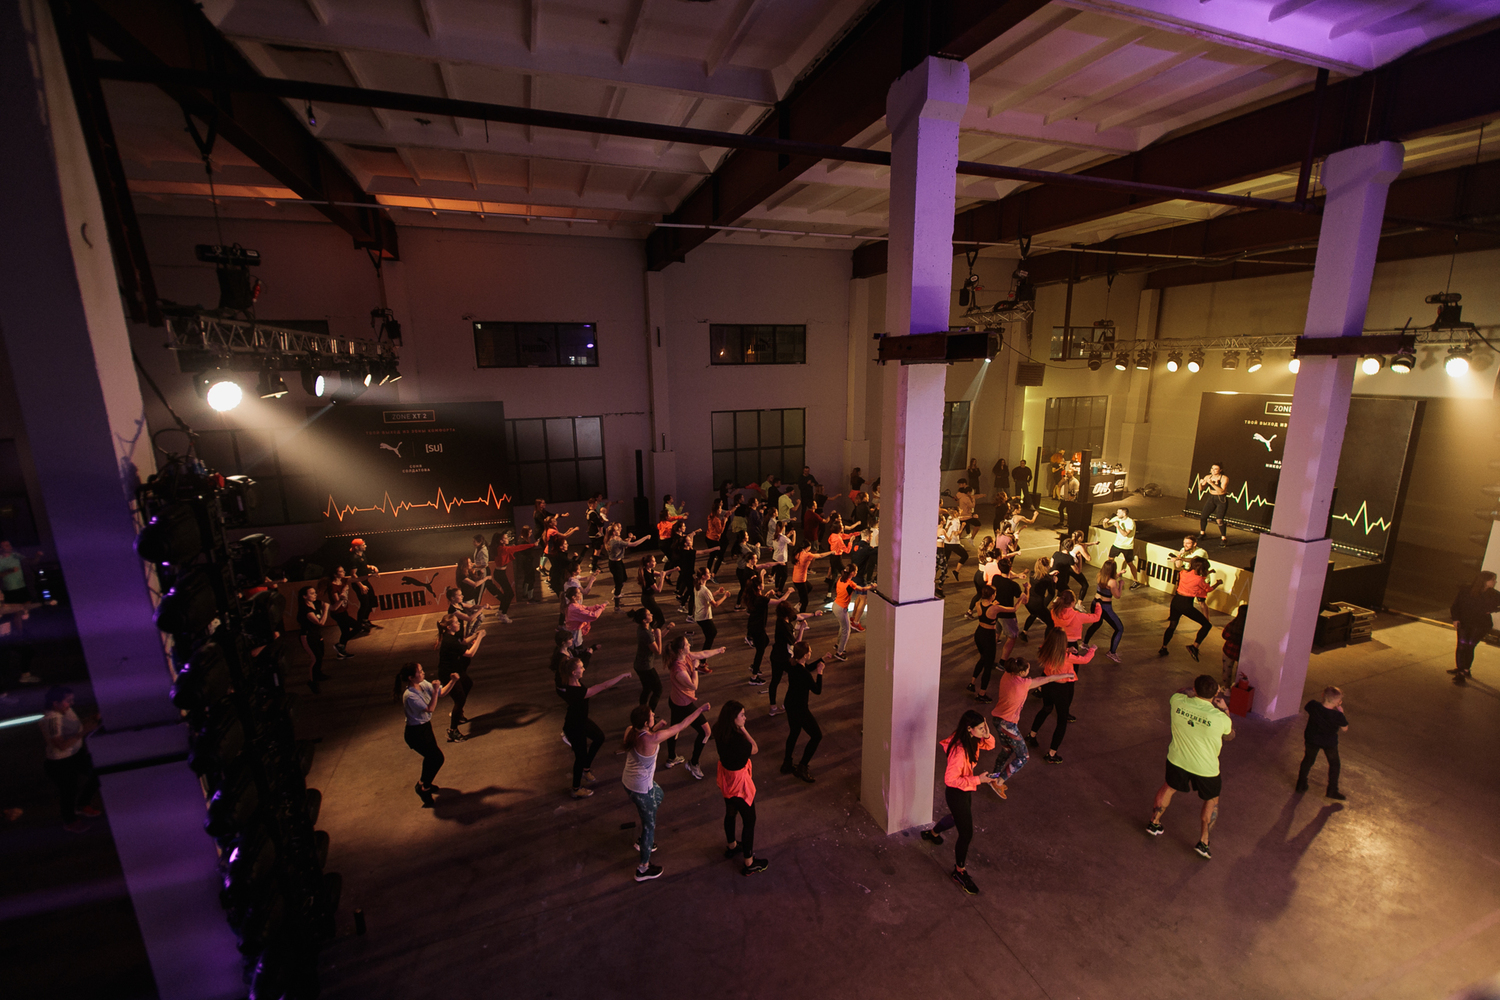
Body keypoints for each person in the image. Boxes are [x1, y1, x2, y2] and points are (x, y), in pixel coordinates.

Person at [1147, 674, 1235, 859]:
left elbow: (1181, 691)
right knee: (1211, 800)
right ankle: (1203, 842)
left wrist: (1194, 691)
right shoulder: (1220, 718)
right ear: (1216, 693)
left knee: (1169, 788)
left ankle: (1154, 823)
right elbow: (1230, 735)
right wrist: (1225, 709)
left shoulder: (1177, 701)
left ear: (1194, 690)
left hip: (1177, 760)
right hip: (1206, 768)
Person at [622, 700, 710, 881]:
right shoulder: (652, 738)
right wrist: (700, 709)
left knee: (659, 795)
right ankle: (643, 869)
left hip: (628, 782)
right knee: (649, 826)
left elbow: (643, 737)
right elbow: (681, 725)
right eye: (651, 715)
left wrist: (655, 728)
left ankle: (644, 837)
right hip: (641, 789)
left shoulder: (630, 730)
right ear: (645, 723)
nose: (654, 715)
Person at [920, 710, 1001, 895]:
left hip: (965, 789)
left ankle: (932, 833)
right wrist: (978, 780)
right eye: (981, 728)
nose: (983, 731)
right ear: (970, 729)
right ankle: (959, 871)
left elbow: (990, 745)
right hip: (957, 793)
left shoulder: (971, 738)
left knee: (957, 818)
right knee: (966, 834)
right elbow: (950, 780)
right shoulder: (959, 751)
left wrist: (987, 733)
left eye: (984, 727)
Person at [988, 658, 1075, 795]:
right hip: (1008, 724)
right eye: (1028, 669)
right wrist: (1067, 675)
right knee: (1023, 757)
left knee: (1007, 750)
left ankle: (994, 776)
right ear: (1022, 672)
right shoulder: (1023, 684)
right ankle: (998, 782)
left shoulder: (1007, 675)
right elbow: (1047, 679)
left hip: (997, 720)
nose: (1030, 670)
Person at [556, 655, 630, 799]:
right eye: (581, 667)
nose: (584, 669)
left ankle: (586, 768)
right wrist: (621, 675)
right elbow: (604, 686)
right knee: (580, 757)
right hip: (575, 727)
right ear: (574, 673)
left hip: (581, 720)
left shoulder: (574, 682)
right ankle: (576, 788)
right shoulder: (577, 692)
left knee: (599, 737)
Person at [715, 701, 771, 876]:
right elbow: (754, 748)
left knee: (730, 811)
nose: (745, 718)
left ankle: (732, 845)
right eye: (742, 715)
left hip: (726, 777)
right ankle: (749, 862)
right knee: (749, 820)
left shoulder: (718, 730)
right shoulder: (739, 741)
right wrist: (744, 729)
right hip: (739, 782)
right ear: (734, 718)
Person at [1023, 629, 1094, 764]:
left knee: (1046, 709)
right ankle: (1051, 753)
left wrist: (1068, 650)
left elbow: (1055, 651)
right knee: (1062, 720)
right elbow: (1085, 660)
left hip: (1047, 684)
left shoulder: (1045, 650)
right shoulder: (1065, 656)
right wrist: (1092, 650)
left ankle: (1032, 735)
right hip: (1062, 689)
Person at [396, 662, 459, 808]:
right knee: (437, 758)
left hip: (425, 728)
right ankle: (423, 786)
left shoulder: (422, 683)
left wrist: (453, 681)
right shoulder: (410, 695)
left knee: (431, 757)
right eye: (420, 671)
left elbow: (441, 693)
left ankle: (426, 784)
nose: (423, 673)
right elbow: (430, 708)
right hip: (416, 733)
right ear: (411, 677)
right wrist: (435, 689)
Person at [40, 686, 102, 832]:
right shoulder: (52, 720)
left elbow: (76, 726)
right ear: (56, 703)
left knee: (97, 774)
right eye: (68, 701)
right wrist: (84, 732)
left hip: (76, 754)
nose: (72, 703)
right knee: (68, 792)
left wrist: (93, 719)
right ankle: (70, 821)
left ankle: (82, 804)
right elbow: (61, 745)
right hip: (61, 762)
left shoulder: (65, 711)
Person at [664, 635, 724, 779]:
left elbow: (703, 654)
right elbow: (693, 685)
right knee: (706, 732)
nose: (689, 645)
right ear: (681, 650)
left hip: (676, 700)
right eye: (687, 644)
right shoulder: (679, 670)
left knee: (675, 729)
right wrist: (696, 668)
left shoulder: (686, 656)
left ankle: (671, 758)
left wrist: (718, 650)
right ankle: (693, 763)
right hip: (683, 705)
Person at [1159, 556, 1221, 661]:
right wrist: (1218, 583)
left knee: (1172, 625)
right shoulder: (1199, 580)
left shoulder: (1183, 573)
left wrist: (1208, 573)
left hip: (1176, 601)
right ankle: (1194, 647)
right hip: (1186, 604)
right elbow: (1208, 589)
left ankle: (1163, 647)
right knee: (1207, 625)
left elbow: (1195, 577)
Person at [781, 640, 826, 781]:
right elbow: (817, 690)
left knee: (794, 732)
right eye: (810, 651)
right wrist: (820, 673)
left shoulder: (792, 664)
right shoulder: (804, 673)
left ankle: (787, 763)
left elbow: (806, 668)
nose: (811, 652)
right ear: (805, 655)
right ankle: (802, 766)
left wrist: (822, 659)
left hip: (790, 703)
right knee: (817, 735)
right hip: (800, 708)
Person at [769, 599, 821, 716]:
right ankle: (787, 704)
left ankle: (773, 707)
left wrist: (813, 614)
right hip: (784, 658)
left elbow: (800, 616)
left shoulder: (783, 619)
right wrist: (802, 628)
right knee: (795, 679)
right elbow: (797, 644)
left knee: (775, 681)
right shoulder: (784, 627)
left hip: (776, 655)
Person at [436, 615, 484, 742]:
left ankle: (459, 713)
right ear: (449, 627)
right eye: (456, 622)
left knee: (467, 683)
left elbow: (462, 642)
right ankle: (453, 730)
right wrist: (479, 637)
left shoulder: (453, 636)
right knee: (460, 699)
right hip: (448, 673)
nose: (459, 624)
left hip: (456, 669)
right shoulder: (449, 641)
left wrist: (474, 636)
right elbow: (470, 653)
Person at [1297, 686, 1348, 800]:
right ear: (1338, 702)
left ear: (1322, 695)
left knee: (1308, 760)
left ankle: (1300, 784)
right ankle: (1332, 790)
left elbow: (1307, 708)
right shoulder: (1337, 716)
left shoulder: (1313, 705)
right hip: (1328, 743)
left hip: (1311, 738)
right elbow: (1345, 729)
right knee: (1334, 764)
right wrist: (1341, 712)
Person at [1450, 571, 1499, 683]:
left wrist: (1492, 610)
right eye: (1492, 579)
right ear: (1484, 580)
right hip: (1465, 622)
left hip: (1480, 625)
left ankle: (1463, 671)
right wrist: (1455, 618)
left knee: (1469, 646)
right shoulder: (1466, 590)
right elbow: (1456, 605)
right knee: (1461, 646)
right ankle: (1461, 669)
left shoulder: (1493, 594)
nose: (1495, 582)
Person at [1082, 560, 1125, 662]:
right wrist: (1121, 585)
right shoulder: (1112, 582)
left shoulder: (1099, 576)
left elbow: (1109, 580)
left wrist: (1118, 574)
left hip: (1095, 604)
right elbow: (1117, 595)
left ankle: (1084, 643)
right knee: (1119, 628)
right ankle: (1112, 652)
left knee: (1097, 623)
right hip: (1105, 608)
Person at [967, 583, 1002, 702]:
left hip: (979, 634)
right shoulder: (994, 608)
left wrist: (993, 605)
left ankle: (972, 683)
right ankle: (982, 693)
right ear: (992, 595)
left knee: (982, 658)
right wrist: (1023, 595)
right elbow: (1013, 609)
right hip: (988, 636)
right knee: (988, 665)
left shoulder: (978, 604)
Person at [830, 563, 871, 661]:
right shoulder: (850, 583)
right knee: (847, 631)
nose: (857, 572)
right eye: (856, 571)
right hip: (841, 609)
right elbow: (862, 589)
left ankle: (838, 644)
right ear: (852, 573)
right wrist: (872, 586)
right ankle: (839, 652)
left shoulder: (840, 579)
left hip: (835, 605)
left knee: (843, 627)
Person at [296, 586, 333, 694]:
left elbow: (332, 607)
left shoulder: (316, 603)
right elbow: (320, 622)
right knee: (315, 658)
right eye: (312, 593)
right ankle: (312, 681)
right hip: (308, 637)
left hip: (317, 635)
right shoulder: (305, 610)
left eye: (315, 593)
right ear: (304, 596)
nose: (315, 595)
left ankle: (318, 674)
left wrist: (341, 600)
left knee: (320, 655)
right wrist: (325, 610)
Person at [604, 522, 648, 610]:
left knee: (624, 578)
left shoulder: (615, 539)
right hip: (615, 565)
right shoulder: (615, 541)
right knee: (619, 583)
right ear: (613, 532)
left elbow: (624, 545)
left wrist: (630, 538)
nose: (620, 530)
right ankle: (616, 605)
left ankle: (616, 591)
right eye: (617, 529)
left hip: (618, 562)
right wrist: (646, 537)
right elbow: (633, 545)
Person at [342, 538, 382, 631]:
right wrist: (361, 586)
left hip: (365, 580)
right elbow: (353, 574)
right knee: (365, 603)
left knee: (371, 600)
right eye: (363, 545)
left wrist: (371, 567)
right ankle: (359, 624)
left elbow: (363, 566)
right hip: (359, 583)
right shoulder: (353, 558)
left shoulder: (362, 555)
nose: (365, 546)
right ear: (357, 547)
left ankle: (365, 620)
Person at [628, 608, 664, 710]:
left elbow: (655, 640)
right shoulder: (646, 634)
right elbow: (658, 651)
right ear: (644, 620)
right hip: (645, 666)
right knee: (658, 690)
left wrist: (667, 629)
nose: (651, 614)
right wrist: (659, 635)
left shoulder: (643, 628)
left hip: (639, 664)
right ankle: (650, 713)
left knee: (647, 688)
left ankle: (642, 711)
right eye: (649, 614)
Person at [1100, 507, 1143, 588]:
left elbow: (1125, 534)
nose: (1117, 514)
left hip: (1127, 546)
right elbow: (1106, 526)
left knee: (1130, 563)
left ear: (1124, 513)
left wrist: (1118, 527)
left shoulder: (1130, 522)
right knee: (1110, 560)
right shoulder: (1116, 518)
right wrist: (1104, 522)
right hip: (1117, 544)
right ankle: (1110, 576)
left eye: (1119, 512)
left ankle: (1136, 581)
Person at [325, 566, 361, 658]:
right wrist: (343, 591)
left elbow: (357, 579)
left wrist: (370, 575)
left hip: (343, 611)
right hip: (338, 613)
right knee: (357, 627)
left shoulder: (343, 580)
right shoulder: (332, 587)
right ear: (335, 574)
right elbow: (337, 603)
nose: (344, 572)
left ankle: (341, 652)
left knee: (345, 631)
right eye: (341, 571)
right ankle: (340, 645)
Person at [692, 568, 730, 649]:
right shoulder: (705, 590)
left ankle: (705, 654)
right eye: (708, 573)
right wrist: (725, 596)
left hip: (699, 616)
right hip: (704, 617)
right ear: (703, 576)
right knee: (712, 634)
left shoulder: (697, 586)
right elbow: (715, 604)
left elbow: (707, 597)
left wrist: (717, 592)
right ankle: (704, 654)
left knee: (710, 635)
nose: (710, 574)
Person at [1196, 463, 1231, 545]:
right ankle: (1202, 533)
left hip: (1221, 499)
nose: (1213, 470)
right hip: (1211, 498)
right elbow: (1201, 489)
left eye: (1215, 469)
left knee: (1219, 519)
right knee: (1203, 516)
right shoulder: (1208, 477)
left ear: (1220, 470)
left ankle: (1223, 538)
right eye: (1212, 468)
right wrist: (1200, 483)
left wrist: (1212, 484)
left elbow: (1222, 491)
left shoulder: (1224, 478)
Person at [637, 554, 670, 628]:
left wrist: (674, 570)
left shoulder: (649, 570)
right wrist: (662, 578)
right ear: (648, 563)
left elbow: (662, 573)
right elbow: (658, 590)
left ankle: (651, 630)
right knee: (660, 619)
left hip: (648, 598)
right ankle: (655, 632)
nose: (655, 563)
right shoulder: (647, 575)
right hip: (648, 599)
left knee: (653, 619)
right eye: (654, 561)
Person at [1220, 603, 1248, 686]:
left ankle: (1226, 688)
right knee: (1239, 672)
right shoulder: (1248, 628)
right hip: (1241, 653)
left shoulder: (1233, 624)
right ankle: (1236, 687)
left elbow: (1224, 635)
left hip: (1228, 651)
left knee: (1226, 671)